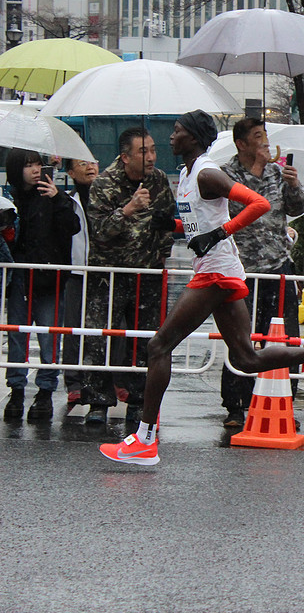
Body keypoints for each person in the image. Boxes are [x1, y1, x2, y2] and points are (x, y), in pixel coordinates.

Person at [99, 110, 304, 466]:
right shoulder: (186, 173)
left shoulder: (207, 171)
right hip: (216, 268)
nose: (171, 136)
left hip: (216, 273)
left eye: (178, 130)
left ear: (194, 137)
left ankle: (145, 438)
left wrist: (219, 233)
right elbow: (202, 222)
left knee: (158, 345)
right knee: (247, 358)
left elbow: (258, 204)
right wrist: (179, 227)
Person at [82, 127, 176, 429]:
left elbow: (167, 222)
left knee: (146, 339)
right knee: (100, 337)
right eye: (143, 151)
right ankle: (98, 401)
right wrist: (128, 209)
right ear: (125, 157)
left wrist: (164, 251)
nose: (151, 157)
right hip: (108, 274)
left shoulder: (159, 180)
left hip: (147, 273)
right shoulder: (104, 183)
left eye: (152, 150)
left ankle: (138, 402)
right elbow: (98, 232)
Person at [219, 118, 304, 428]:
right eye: (258, 137)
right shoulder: (227, 175)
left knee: (285, 338)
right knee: (242, 337)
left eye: (265, 137)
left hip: (277, 265)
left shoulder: (277, 173)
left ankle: (284, 402)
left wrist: (294, 184)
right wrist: (256, 171)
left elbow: (298, 207)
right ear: (241, 144)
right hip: (242, 269)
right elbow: (236, 208)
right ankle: (236, 404)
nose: (265, 143)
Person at [2, 149, 80, 422]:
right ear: (15, 169)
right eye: (28, 165)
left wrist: (58, 199)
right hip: (19, 277)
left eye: (37, 163)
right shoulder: (9, 199)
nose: (36, 170)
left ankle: (45, 391)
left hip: (49, 277)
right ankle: (16, 390)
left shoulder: (53, 195)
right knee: (16, 336)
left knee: (49, 336)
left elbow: (73, 226)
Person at [60, 157, 99, 411]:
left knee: (103, 330)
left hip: (104, 272)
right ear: (71, 172)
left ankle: (101, 383)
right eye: (83, 163)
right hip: (75, 272)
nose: (90, 167)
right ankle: (74, 384)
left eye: (93, 162)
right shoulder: (66, 201)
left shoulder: (106, 197)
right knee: (73, 329)